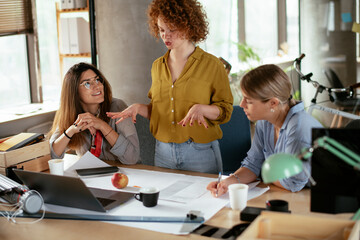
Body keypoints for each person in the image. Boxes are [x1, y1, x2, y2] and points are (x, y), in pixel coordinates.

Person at [107, 0, 233, 173]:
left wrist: (202, 109)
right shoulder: (157, 66)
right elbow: (160, 112)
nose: (165, 36)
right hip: (163, 152)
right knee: (164, 200)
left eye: (172, 29)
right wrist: (138, 108)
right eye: (161, 30)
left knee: (204, 199)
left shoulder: (212, 65)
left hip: (199, 153)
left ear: (188, 26)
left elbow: (225, 110)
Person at [207, 64, 323, 195]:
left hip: (315, 197)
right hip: (287, 194)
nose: (241, 105)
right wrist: (227, 183)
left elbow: (292, 184)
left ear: (273, 103)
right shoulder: (265, 121)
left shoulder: (299, 128)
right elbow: (253, 164)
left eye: (249, 101)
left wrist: (261, 173)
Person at [48, 62, 140, 164]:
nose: (97, 86)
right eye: (87, 83)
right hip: (89, 174)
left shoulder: (118, 107)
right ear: (74, 92)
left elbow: (132, 158)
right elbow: (52, 156)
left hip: (126, 173)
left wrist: (102, 125)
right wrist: (71, 130)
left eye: (97, 80)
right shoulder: (70, 113)